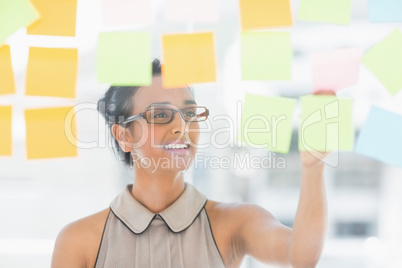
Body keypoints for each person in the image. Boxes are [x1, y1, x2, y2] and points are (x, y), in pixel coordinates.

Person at [51, 59, 328, 268]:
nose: (181, 126)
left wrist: (313, 167)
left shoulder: (235, 222)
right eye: (161, 114)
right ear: (124, 136)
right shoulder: (79, 241)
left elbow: (301, 255)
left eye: (188, 113)